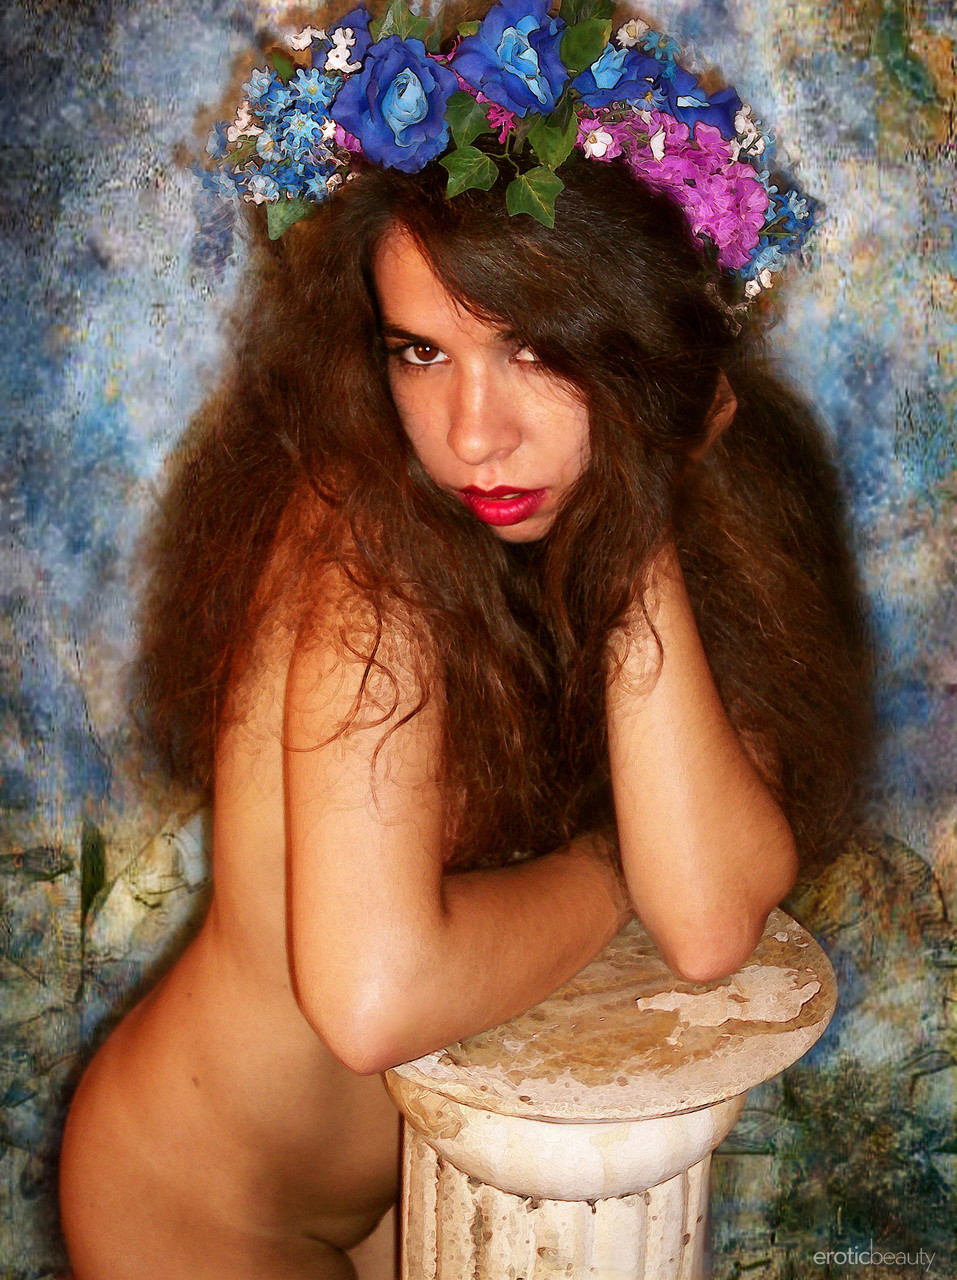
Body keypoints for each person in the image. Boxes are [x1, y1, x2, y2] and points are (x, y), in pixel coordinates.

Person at [58, 2, 871, 1276]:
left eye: (534, 349)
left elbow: (711, 917)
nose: (471, 434)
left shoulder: (673, 511)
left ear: (645, 353)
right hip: (198, 1197)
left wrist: (638, 512)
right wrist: (612, 864)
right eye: (421, 352)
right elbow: (373, 996)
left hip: (426, 1170)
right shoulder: (360, 548)